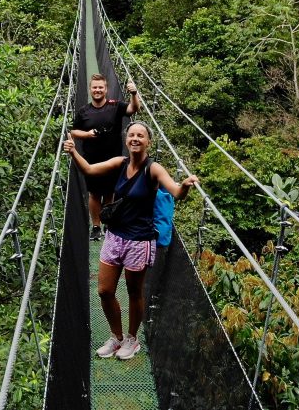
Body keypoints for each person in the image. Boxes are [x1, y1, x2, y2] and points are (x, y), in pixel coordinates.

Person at [63, 123, 199, 360]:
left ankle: (132, 339)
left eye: (141, 135)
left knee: (134, 292)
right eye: (132, 135)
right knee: (104, 291)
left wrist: (185, 186)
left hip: (139, 240)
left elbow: (176, 192)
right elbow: (90, 171)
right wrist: (74, 152)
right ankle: (116, 337)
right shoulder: (120, 163)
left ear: (148, 142)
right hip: (114, 236)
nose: (135, 138)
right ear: (127, 140)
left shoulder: (153, 169)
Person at [70, 73, 139, 241]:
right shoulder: (83, 111)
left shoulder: (115, 106)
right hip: (91, 160)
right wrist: (87, 134)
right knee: (94, 194)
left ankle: (108, 221)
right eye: (95, 87)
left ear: (106, 89)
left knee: (109, 193)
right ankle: (95, 226)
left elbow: (133, 109)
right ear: (90, 89)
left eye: (100, 87)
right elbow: (73, 130)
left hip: (113, 160)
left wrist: (134, 93)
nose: (98, 90)